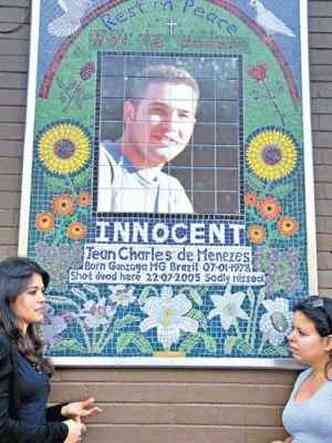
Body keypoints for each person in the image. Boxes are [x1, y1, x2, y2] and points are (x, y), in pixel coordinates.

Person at [0, 256, 102, 443]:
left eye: (42, 291)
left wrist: (61, 411)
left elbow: (25, 417)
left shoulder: (24, 345)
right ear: (9, 296)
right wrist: (62, 432)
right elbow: (2, 429)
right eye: (33, 292)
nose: (42, 299)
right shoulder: (2, 345)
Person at [97, 64, 199, 213]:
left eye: (183, 115)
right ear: (130, 113)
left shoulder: (172, 191)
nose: (170, 126)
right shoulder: (98, 163)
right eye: (158, 110)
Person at [271, 296, 332, 443]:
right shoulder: (303, 378)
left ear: (329, 342)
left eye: (302, 333)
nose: (290, 337)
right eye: (293, 329)